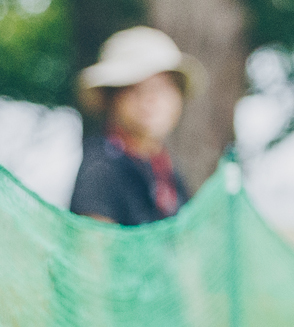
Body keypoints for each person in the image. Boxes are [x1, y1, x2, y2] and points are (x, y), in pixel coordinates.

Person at [70, 26, 206, 225]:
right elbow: (93, 250)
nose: (150, 99)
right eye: (134, 88)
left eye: (163, 87)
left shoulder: (165, 170)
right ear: (111, 98)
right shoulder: (102, 167)